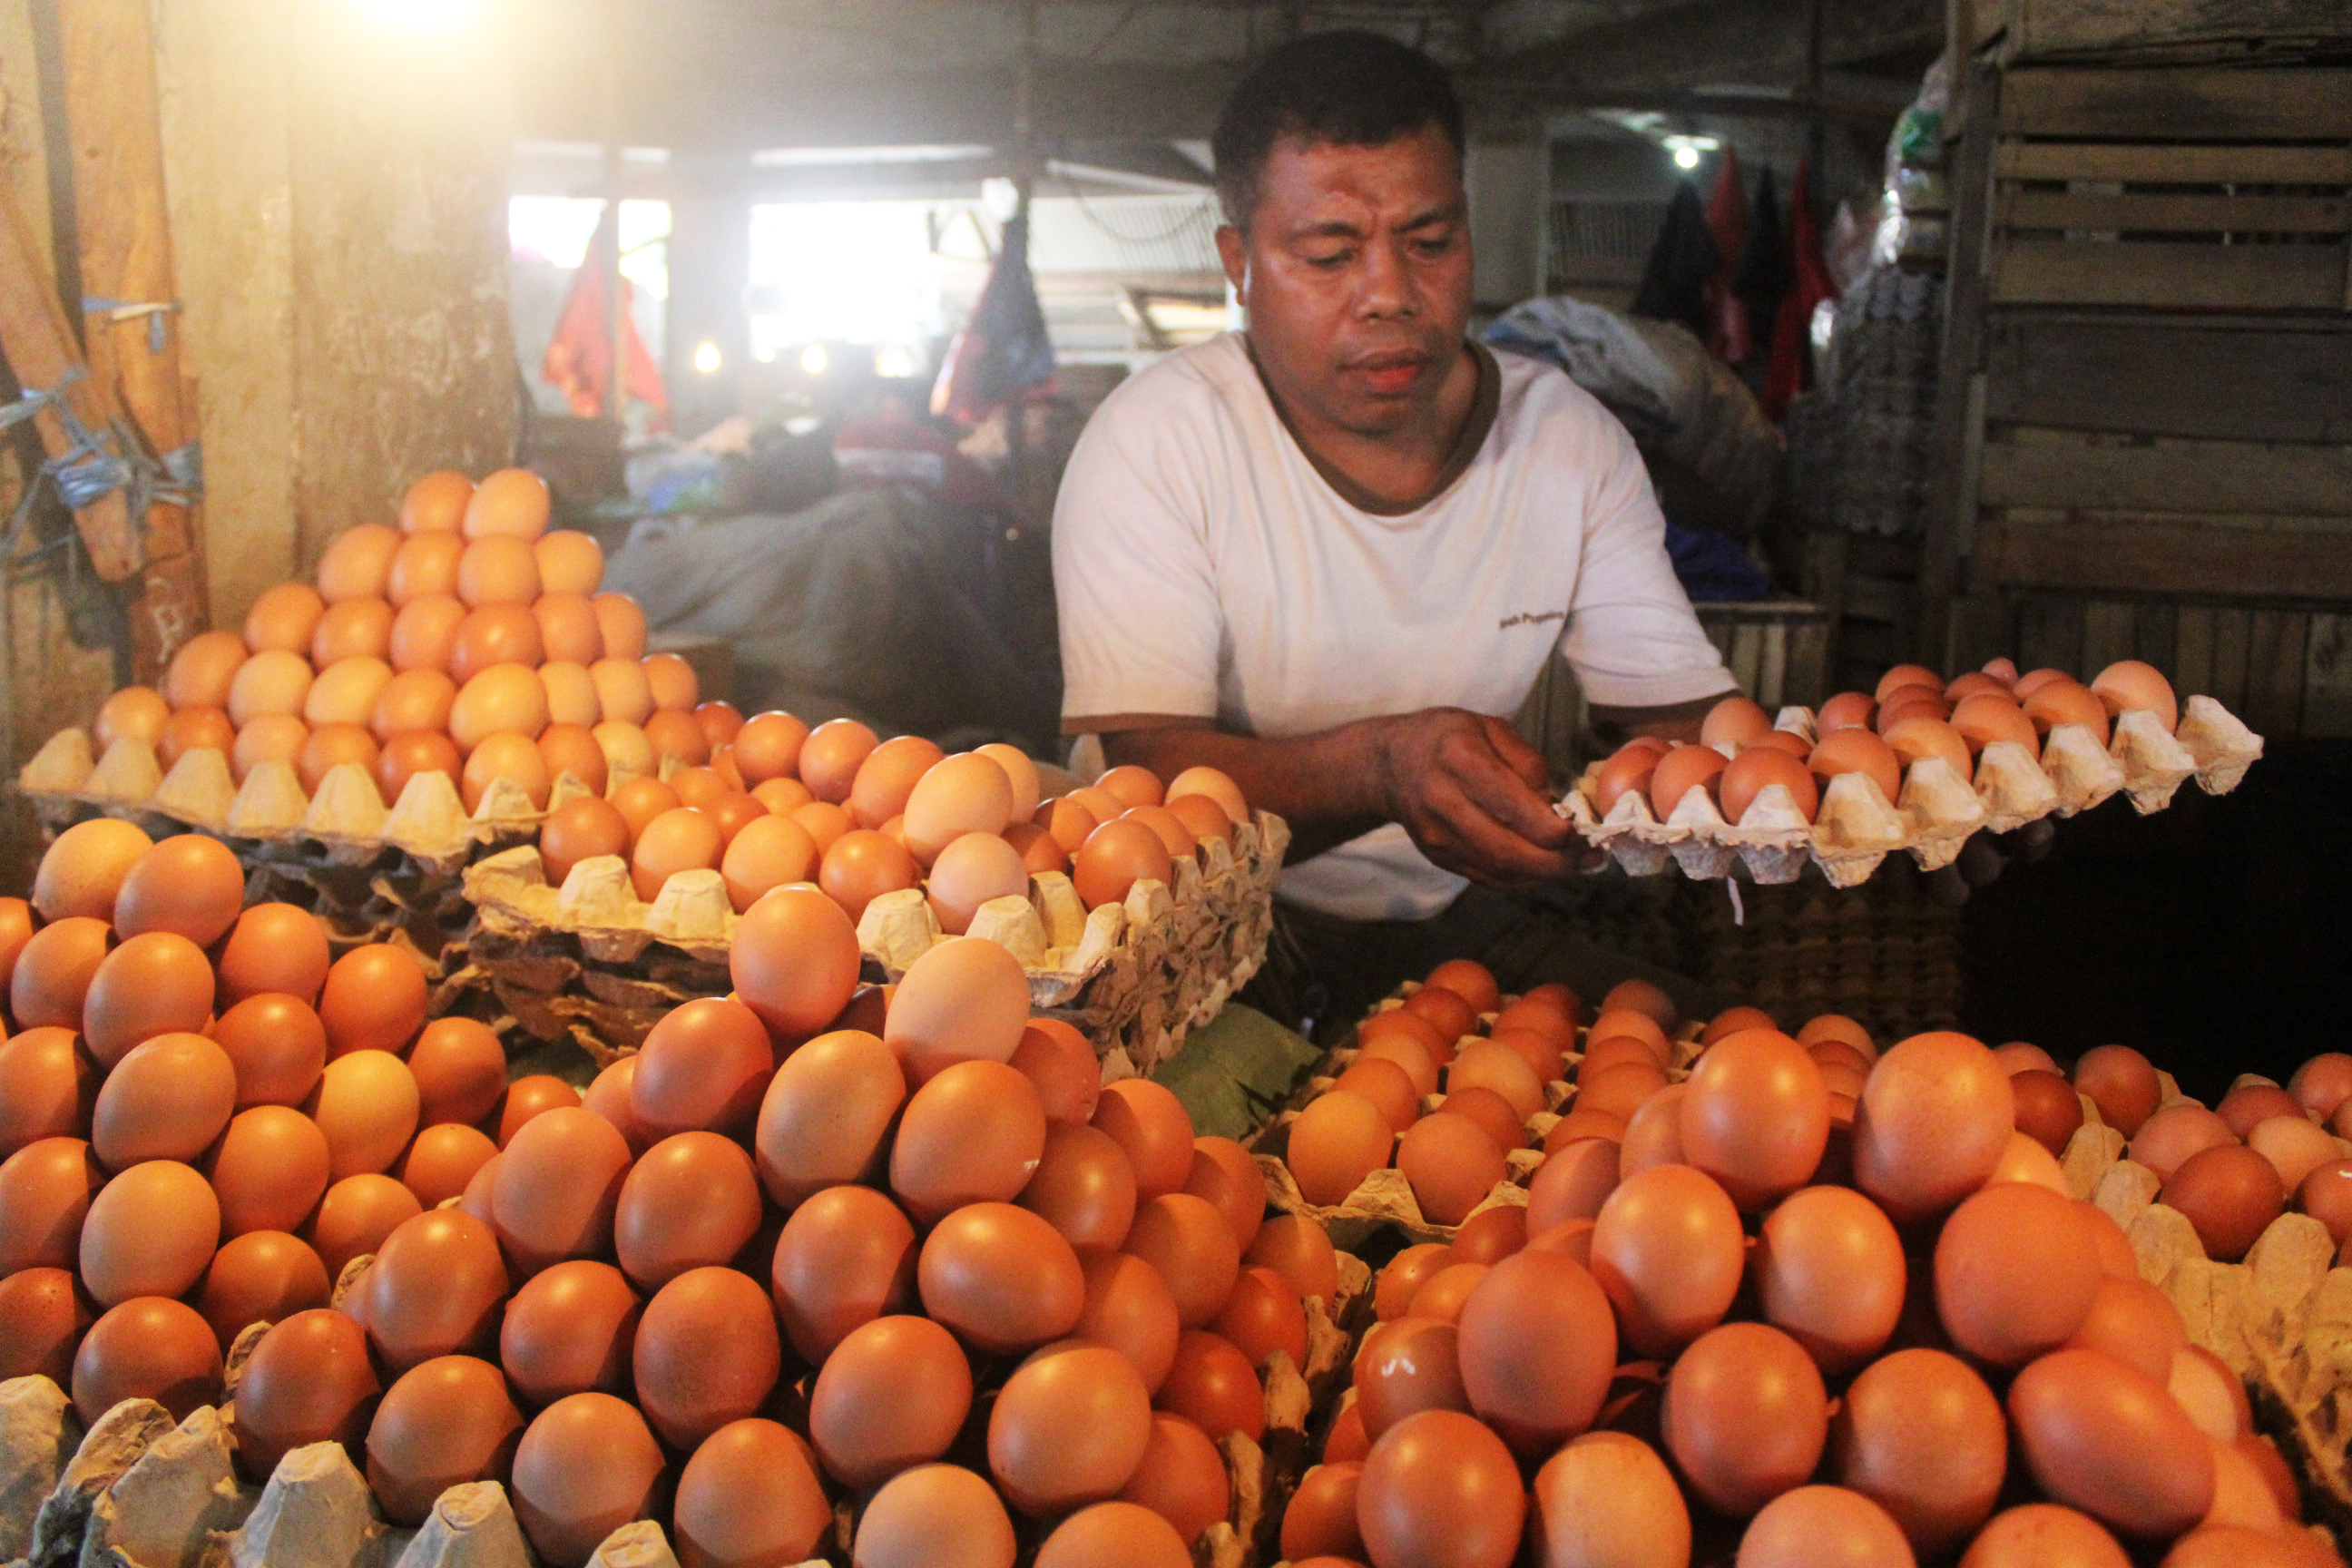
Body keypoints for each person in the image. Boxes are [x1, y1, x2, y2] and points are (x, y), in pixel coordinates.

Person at [1051, 31, 1741, 1036]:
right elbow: (1148, 775)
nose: (1390, 295)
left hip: (1446, 914)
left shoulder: (1566, 442)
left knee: (1720, 1052)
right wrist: (1384, 768)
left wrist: (1874, 791)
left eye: (1430, 242)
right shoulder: (1159, 439)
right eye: (1330, 254)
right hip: (1185, 930)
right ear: (1239, 263)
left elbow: (1682, 728)